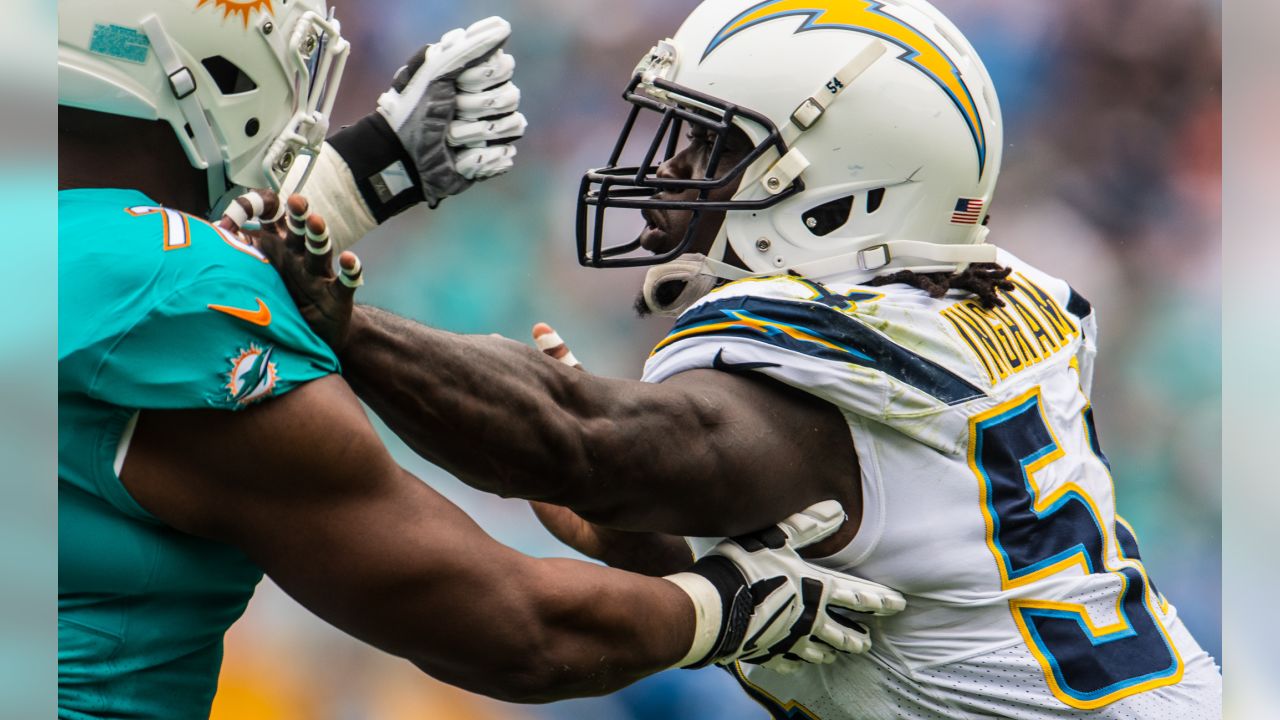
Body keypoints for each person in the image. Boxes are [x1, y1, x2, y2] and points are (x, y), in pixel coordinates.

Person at [264, 0, 1223, 717]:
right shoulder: (987, 297)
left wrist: (343, 323)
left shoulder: (834, 367)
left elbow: (575, 442)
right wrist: (626, 526)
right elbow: (628, 481)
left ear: (848, 188)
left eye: (714, 145)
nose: (673, 169)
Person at [56, 2, 906, 718]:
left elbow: (82, 273)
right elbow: (516, 633)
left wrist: (357, 182)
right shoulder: (175, 298)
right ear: (209, 67)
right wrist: (720, 606)